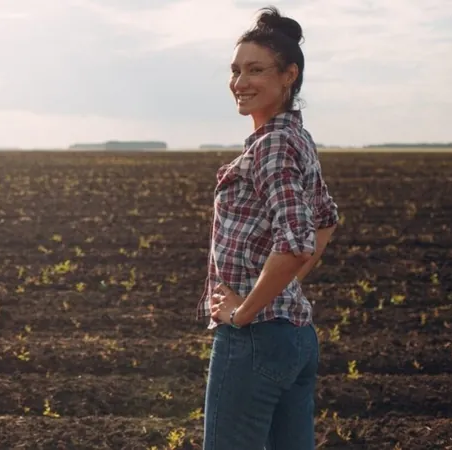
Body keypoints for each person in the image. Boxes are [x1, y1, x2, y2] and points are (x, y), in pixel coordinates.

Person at [196, 6, 340, 450]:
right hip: (294, 337)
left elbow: (296, 242)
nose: (240, 82)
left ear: (289, 75)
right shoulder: (295, 136)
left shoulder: (274, 144)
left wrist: (244, 313)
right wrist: (280, 288)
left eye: (255, 70)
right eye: (236, 70)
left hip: (255, 339)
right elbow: (327, 222)